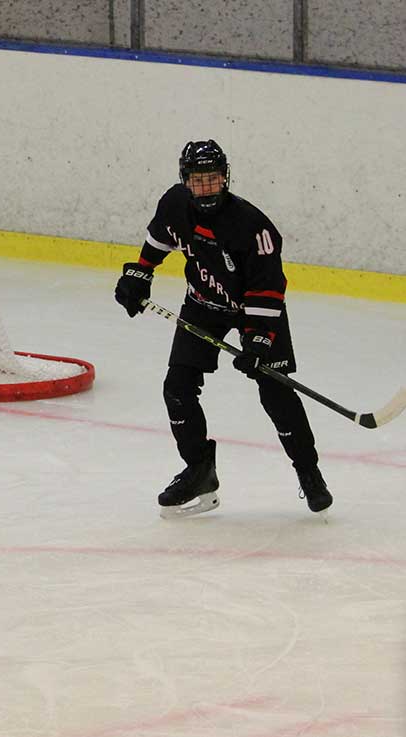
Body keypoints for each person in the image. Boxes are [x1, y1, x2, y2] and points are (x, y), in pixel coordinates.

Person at [114, 139, 333, 519]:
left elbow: (268, 289)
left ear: (225, 178)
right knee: (177, 387)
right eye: (198, 181)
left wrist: (259, 341)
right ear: (185, 180)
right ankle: (199, 471)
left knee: (276, 391)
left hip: (255, 311)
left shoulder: (253, 227)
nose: (206, 188)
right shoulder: (174, 204)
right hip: (202, 304)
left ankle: (308, 471)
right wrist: (140, 273)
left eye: (213, 179)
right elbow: (159, 239)